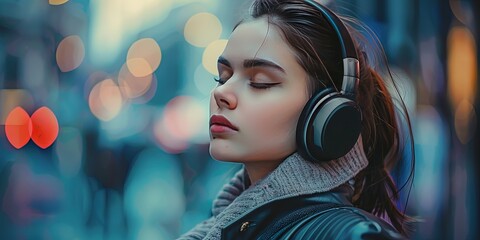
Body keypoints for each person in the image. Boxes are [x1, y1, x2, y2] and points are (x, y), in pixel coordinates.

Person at [179, 0, 415, 239]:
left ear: (327, 112)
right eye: (222, 78)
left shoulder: (355, 235)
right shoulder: (224, 228)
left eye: (260, 82)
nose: (221, 93)